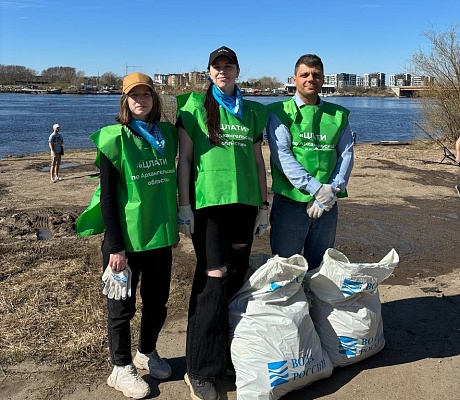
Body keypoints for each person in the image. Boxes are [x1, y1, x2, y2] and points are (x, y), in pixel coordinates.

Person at [76, 72, 179, 399]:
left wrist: (174, 227)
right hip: (125, 243)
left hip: (159, 238)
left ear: (154, 99)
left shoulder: (165, 136)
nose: (140, 100)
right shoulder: (114, 138)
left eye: (146, 94)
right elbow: (107, 197)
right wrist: (116, 247)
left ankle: (146, 352)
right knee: (121, 308)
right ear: (125, 100)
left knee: (158, 303)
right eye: (134, 95)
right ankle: (120, 368)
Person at [176, 46, 269, 400]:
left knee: (235, 277)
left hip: (245, 206)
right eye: (217, 67)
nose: (223, 71)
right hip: (209, 207)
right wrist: (184, 206)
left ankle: (226, 356)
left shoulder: (252, 112)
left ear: (237, 71)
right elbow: (184, 160)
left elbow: (259, 162)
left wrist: (264, 204)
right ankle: (199, 369)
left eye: (228, 66)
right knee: (212, 281)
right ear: (209, 72)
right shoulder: (192, 109)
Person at [267, 54, 354, 271]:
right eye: (304, 74)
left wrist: (332, 190)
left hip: (327, 204)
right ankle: (288, 306)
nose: (310, 79)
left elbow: (346, 154)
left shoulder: (338, 115)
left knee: (321, 266)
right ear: (294, 79)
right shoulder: (280, 112)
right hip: (290, 202)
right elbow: (282, 157)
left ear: (323, 79)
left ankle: (314, 305)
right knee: (286, 266)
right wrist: (315, 189)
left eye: (316, 75)